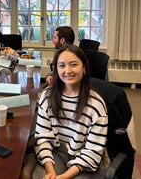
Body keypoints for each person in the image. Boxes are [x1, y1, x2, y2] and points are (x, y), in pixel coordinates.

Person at [33, 45, 108, 178]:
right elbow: (42, 138)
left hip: (84, 159)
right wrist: (51, 173)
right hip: (55, 153)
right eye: (62, 66)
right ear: (56, 69)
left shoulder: (96, 104)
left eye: (73, 65)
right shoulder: (47, 97)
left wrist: (63, 177)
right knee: (40, 176)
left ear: (84, 68)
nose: (68, 70)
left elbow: (92, 152)